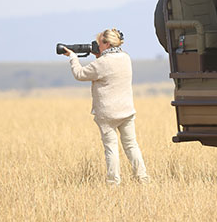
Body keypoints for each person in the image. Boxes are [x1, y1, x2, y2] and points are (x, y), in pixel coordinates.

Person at [60, 28, 150, 185]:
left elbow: (80, 74)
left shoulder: (101, 63)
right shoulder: (126, 58)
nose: (96, 45)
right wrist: (99, 55)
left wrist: (73, 57)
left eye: (99, 43)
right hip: (127, 110)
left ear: (107, 43)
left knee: (111, 148)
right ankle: (143, 178)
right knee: (131, 145)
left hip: (107, 114)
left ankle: (113, 183)